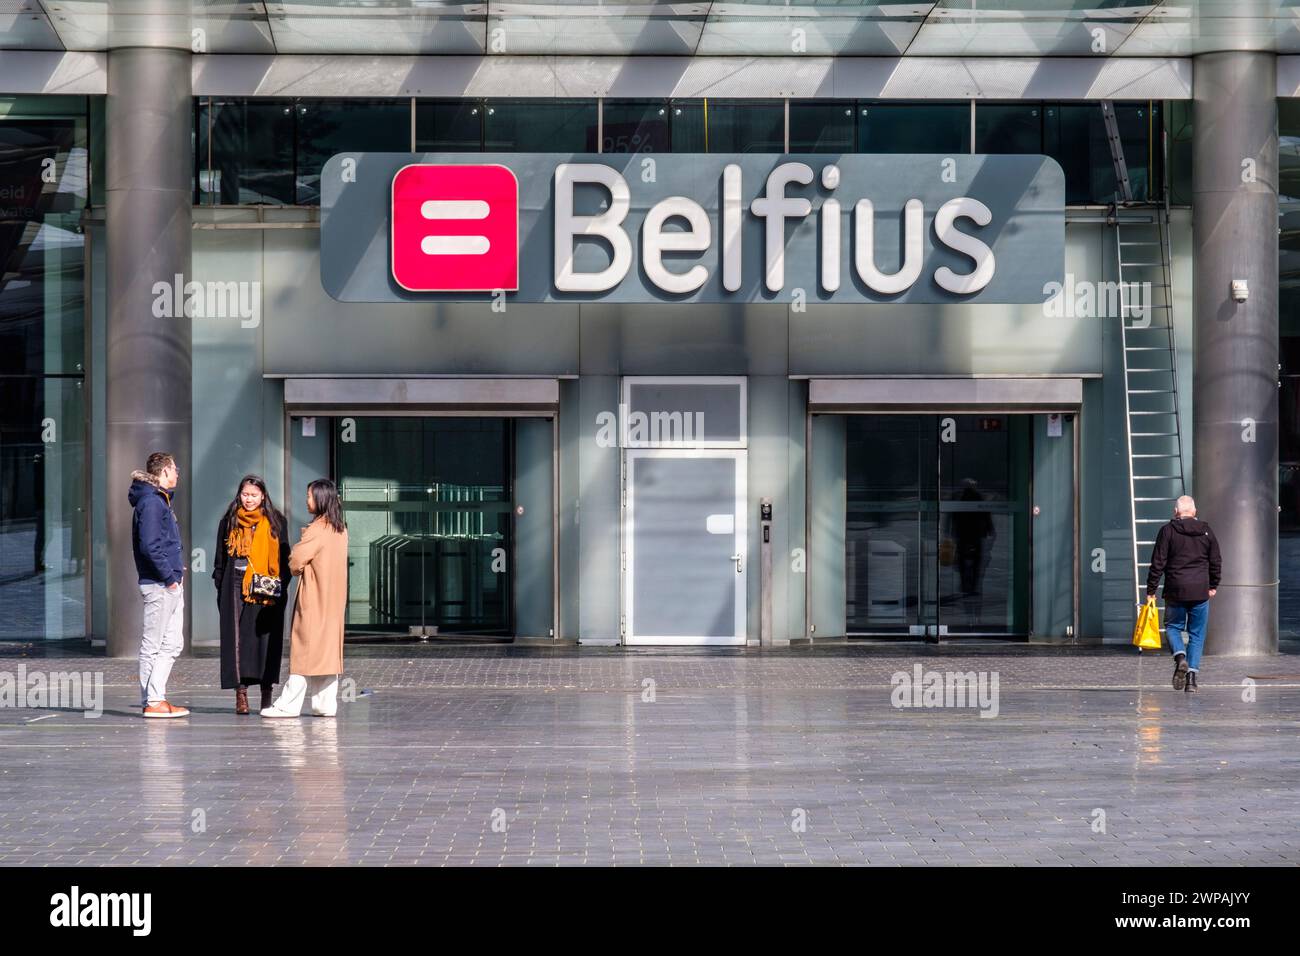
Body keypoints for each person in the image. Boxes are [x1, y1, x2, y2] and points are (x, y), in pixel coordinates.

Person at [262, 479, 348, 719]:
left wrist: (296, 566)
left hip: (315, 598)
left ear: (320, 499)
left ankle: (288, 704)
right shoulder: (339, 528)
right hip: (333, 600)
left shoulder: (318, 529)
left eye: (309, 496)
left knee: (304, 650)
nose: (306, 500)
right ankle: (324, 704)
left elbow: (296, 560)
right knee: (327, 653)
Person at [213, 475, 290, 715]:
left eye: (254, 495)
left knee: (264, 638)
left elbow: (284, 558)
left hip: (266, 587)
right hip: (235, 584)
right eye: (245, 495)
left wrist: (280, 587)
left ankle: (266, 693)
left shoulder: (276, 521)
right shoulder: (229, 521)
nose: (249, 500)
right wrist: (220, 584)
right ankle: (241, 693)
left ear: (263, 496)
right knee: (237, 639)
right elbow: (220, 558)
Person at [128, 452, 190, 718]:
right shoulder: (152, 502)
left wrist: (176, 568)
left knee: (172, 642)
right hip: (160, 585)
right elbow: (150, 546)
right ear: (164, 472)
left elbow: (160, 543)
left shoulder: (157, 500)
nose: (178, 473)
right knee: (155, 643)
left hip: (166, 582)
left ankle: (155, 697)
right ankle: (153, 701)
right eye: (175, 469)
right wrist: (170, 578)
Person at [1146, 494, 1222, 694]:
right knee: (1197, 634)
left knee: (1172, 627)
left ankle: (1180, 658)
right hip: (1200, 590)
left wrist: (1151, 590)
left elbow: (1158, 563)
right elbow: (1216, 561)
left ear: (1176, 512)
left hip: (1175, 590)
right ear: (1194, 512)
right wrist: (1213, 585)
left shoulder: (1167, 531)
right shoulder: (1206, 531)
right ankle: (1191, 681)